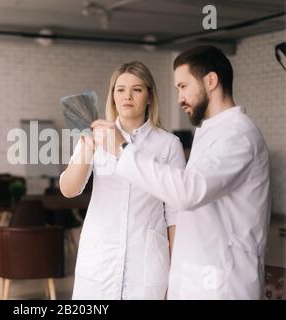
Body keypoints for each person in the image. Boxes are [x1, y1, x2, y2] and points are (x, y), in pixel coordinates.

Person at [92, 45, 270, 299]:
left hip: (223, 283)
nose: (179, 98)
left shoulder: (238, 134)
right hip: (198, 279)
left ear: (210, 81)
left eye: (183, 86)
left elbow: (189, 191)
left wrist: (123, 149)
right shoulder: (210, 131)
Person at [60, 61, 186, 299]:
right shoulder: (94, 136)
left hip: (146, 265)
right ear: (113, 96)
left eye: (137, 89)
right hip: (99, 261)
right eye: (120, 89)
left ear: (149, 96)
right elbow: (69, 190)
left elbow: (175, 213)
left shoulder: (168, 144)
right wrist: (87, 148)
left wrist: (176, 273)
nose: (127, 96)